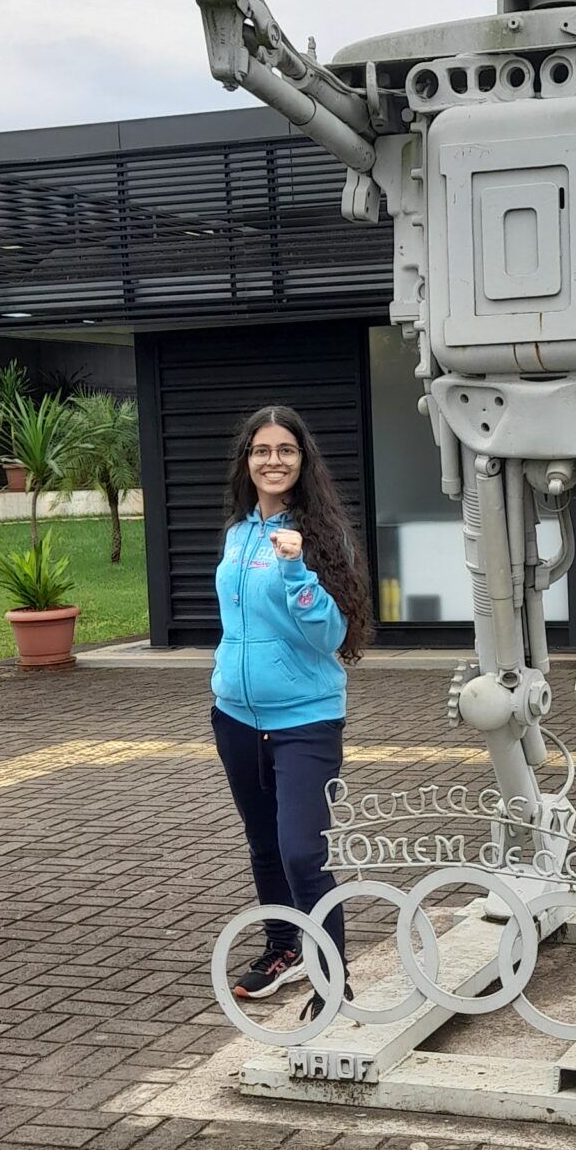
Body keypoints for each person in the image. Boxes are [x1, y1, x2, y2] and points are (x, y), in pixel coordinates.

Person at [211, 403, 372, 1009]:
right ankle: (284, 948)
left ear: (303, 461)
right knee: (264, 844)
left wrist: (295, 567)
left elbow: (329, 635)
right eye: (261, 450)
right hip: (235, 716)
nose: (272, 461)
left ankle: (332, 976)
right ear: (247, 461)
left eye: (285, 450)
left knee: (303, 850)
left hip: (306, 719)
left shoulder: (323, 537)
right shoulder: (238, 533)